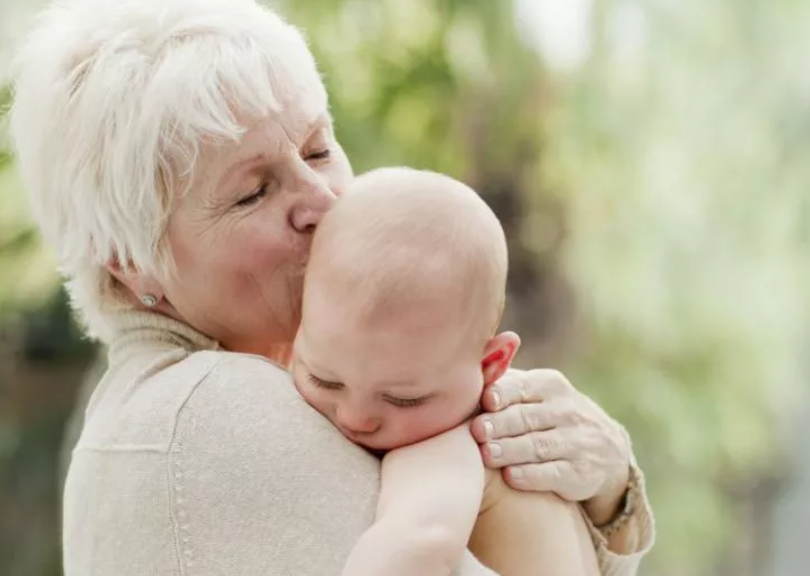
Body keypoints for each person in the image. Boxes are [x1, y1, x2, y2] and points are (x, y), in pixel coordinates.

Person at [7, 0, 654, 575]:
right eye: (253, 191)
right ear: (130, 263)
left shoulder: (276, 385)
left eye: (317, 149)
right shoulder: (215, 408)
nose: (323, 198)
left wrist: (607, 490)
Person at [298, 167, 598, 575]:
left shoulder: (459, 443)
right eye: (324, 379)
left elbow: (420, 541)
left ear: (491, 366)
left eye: (403, 398)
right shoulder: (431, 394)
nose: (354, 417)